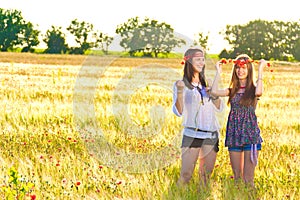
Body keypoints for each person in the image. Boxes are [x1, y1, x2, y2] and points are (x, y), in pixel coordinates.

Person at [211, 54, 267, 187]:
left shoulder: (253, 89)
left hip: (250, 135)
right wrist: (217, 73)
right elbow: (214, 92)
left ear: (249, 70)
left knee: (248, 180)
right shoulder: (232, 91)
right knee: (237, 178)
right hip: (234, 134)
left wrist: (260, 70)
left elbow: (259, 93)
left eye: (244, 68)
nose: (240, 71)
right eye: (237, 68)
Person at [172, 47, 224, 187]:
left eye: (203, 59)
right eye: (198, 59)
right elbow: (179, 112)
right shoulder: (181, 84)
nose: (201, 62)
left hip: (211, 134)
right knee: (186, 175)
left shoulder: (207, 83)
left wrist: (213, 95)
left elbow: (220, 107)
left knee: (205, 178)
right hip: (191, 134)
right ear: (188, 62)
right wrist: (181, 92)